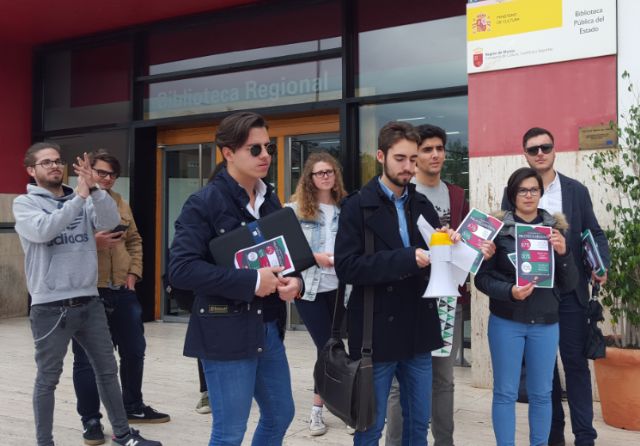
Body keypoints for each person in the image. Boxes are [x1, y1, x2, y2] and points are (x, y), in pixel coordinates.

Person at [12, 142, 161, 446]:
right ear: (31, 170)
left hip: (89, 300)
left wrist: (93, 190)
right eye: (46, 162)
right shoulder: (25, 204)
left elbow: (107, 221)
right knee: (48, 379)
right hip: (50, 306)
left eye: (57, 161)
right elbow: (44, 231)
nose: (55, 166)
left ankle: (122, 435)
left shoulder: (82, 196)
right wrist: (80, 197)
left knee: (107, 370)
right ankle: (45, 441)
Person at [169, 112, 302, 446]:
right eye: (254, 149)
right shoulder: (204, 203)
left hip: (268, 327)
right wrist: (252, 282)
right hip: (224, 330)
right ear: (228, 153)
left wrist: (294, 281)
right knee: (229, 432)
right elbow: (181, 269)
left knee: (280, 414)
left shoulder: (269, 199)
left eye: (267, 147)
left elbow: (284, 257)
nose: (265, 156)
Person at [335, 121, 447, 446]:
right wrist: (407, 259)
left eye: (414, 159)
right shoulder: (357, 206)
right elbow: (347, 267)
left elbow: (432, 268)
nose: (409, 167)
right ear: (381, 156)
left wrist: (448, 251)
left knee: (417, 424)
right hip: (374, 334)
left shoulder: (423, 205)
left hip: (418, 330)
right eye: (401, 158)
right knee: (369, 426)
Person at [385, 124, 493, 446]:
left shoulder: (456, 195)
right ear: (415, 157)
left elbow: (465, 247)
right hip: (408, 299)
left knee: (444, 380)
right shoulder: (403, 194)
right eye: (427, 149)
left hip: (447, 301)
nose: (435, 155)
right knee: (399, 383)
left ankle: (444, 441)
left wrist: (481, 250)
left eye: (439, 149)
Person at [501, 128, 610, 446]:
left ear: (554, 150)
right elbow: (505, 235)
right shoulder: (516, 191)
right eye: (532, 149)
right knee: (543, 370)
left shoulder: (575, 191)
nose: (539, 153)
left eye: (544, 147)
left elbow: (595, 233)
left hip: (572, 291)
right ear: (524, 154)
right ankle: (553, 436)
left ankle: (585, 437)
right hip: (536, 297)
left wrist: (600, 263)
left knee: (575, 365)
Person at [71, 149, 170, 445]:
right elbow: (64, 243)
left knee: (134, 350)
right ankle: (91, 421)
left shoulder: (119, 202)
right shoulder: (74, 201)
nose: (107, 178)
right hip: (91, 290)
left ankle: (132, 406)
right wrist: (92, 242)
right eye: (101, 172)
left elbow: (135, 240)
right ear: (88, 172)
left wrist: (133, 276)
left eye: (112, 174)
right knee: (87, 360)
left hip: (122, 290)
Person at [476, 167, 578, 446]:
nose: (529, 195)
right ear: (513, 194)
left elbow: (569, 284)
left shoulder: (554, 231)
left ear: (541, 193)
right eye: (522, 190)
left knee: (542, 393)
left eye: (534, 189)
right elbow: (482, 280)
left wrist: (564, 252)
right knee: (505, 393)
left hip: (546, 322)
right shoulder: (496, 232)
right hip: (506, 321)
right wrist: (510, 291)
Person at [286, 152, 349, 436]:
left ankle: (342, 407)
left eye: (329, 172)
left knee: (335, 349)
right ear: (309, 178)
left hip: (341, 290)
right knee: (327, 349)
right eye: (319, 172)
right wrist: (315, 257)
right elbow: (286, 251)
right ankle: (318, 411)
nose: (325, 176)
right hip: (309, 290)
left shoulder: (346, 208)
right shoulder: (295, 210)